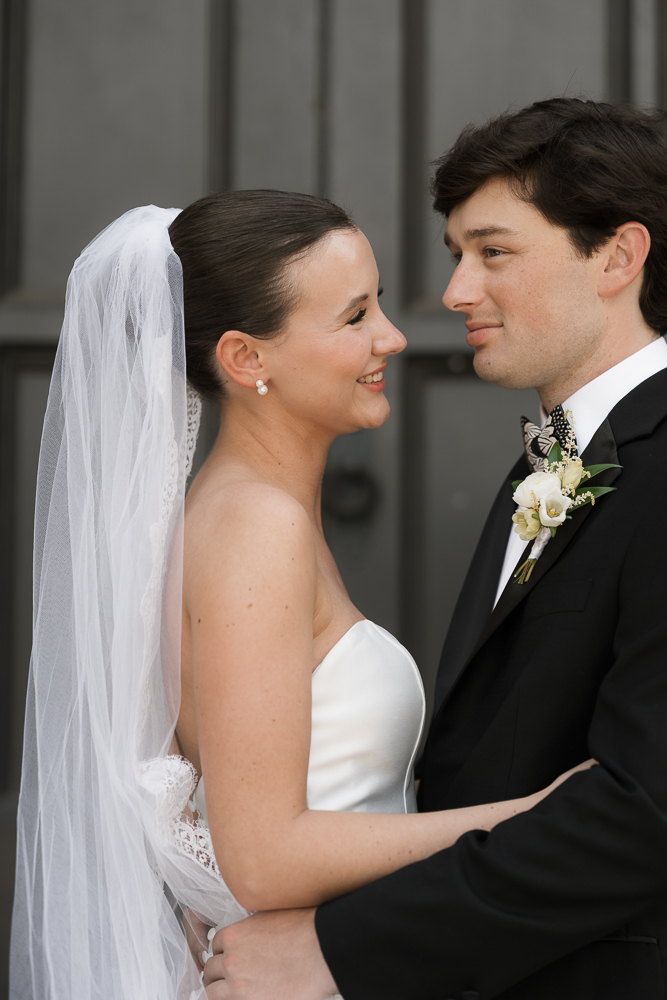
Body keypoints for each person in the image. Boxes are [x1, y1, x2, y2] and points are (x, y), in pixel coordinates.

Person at [10, 190, 587, 1000]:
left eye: (379, 303)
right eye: (354, 317)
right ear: (248, 360)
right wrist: (523, 817)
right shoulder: (256, 529)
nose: (390, 335)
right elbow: (264, 854)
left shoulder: (247, 514)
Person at [202, 99, 667, 1000]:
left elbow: (646, 809)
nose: (454, 293)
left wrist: (346, 949)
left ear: (617, 256)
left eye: (492, 253)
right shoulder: (542, 466)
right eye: (457, 255)